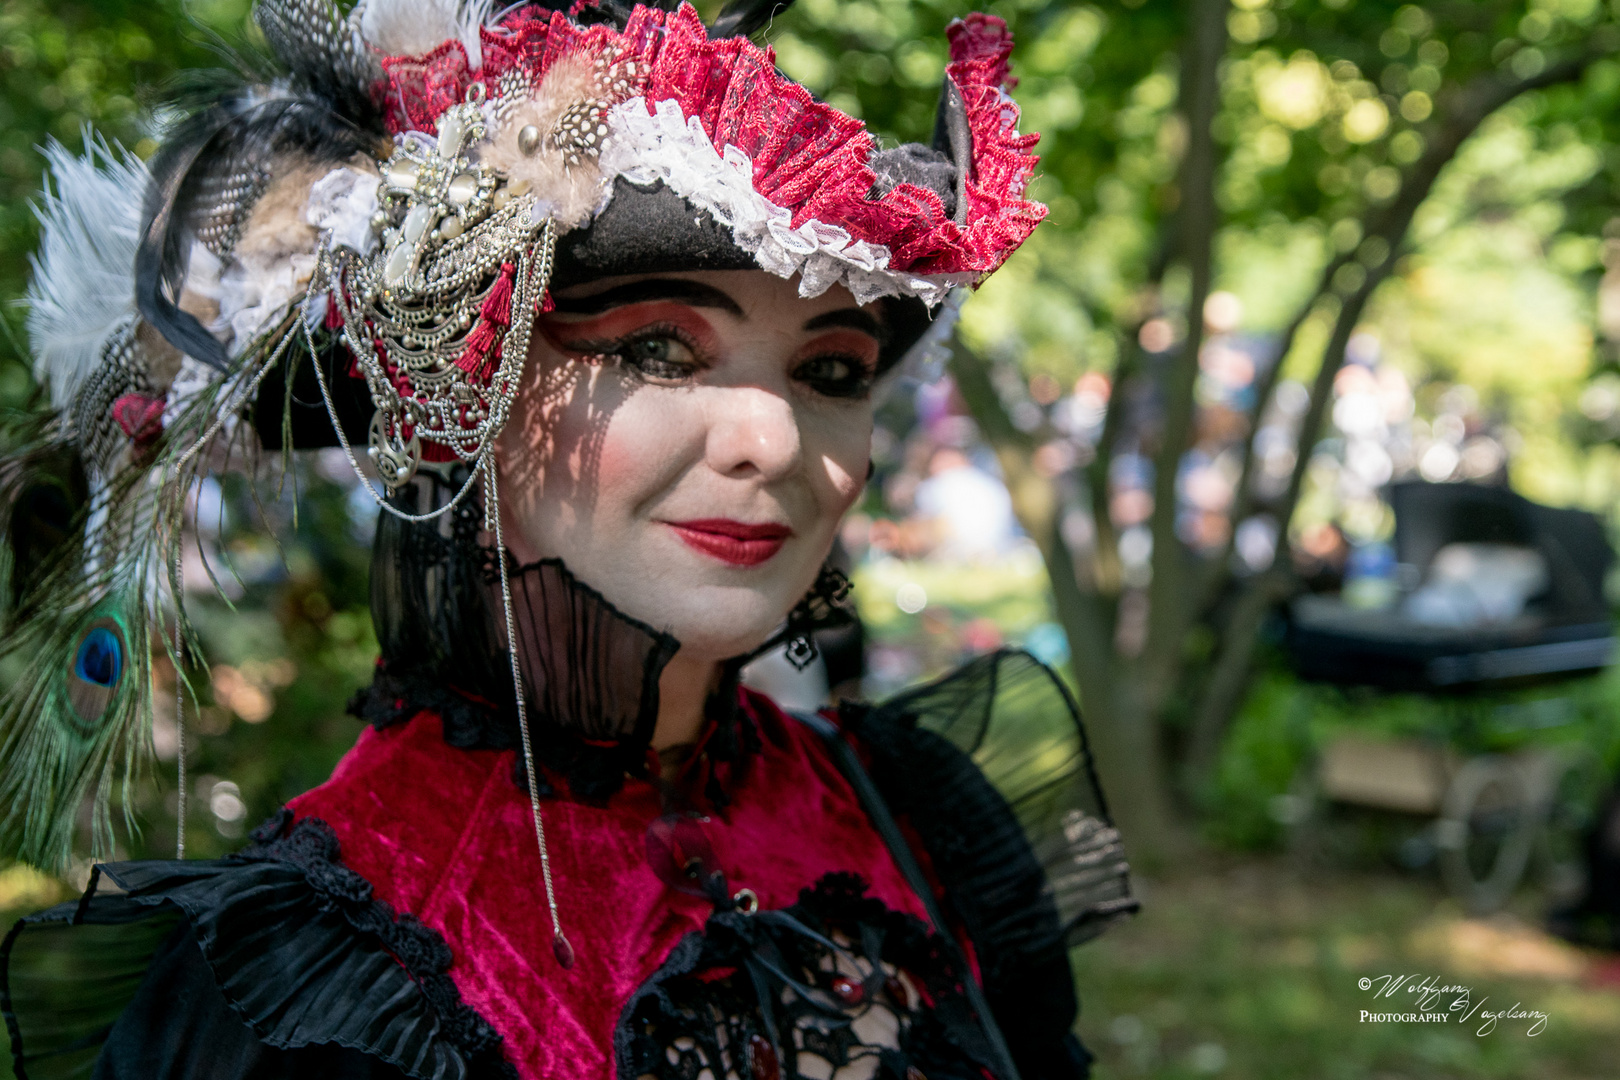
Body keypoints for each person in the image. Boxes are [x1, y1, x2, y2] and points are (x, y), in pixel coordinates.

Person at [0, 2, 1135, 1078]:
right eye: (658, 350)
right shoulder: (312, 977)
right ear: (454, 392)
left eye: (831, 370)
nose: (771, 436)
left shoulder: (921, 813)